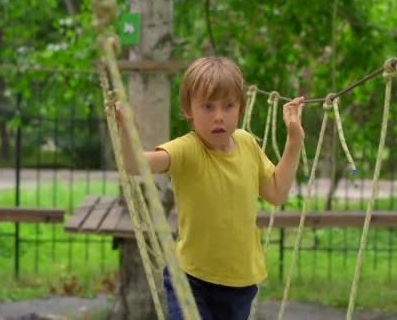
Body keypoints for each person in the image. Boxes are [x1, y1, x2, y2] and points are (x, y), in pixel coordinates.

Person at [114, 57, 304, 320]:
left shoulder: (247, 143)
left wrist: (294, 141)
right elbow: (135, 165)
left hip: (240, 283)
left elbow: (276, 192)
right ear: (187, 109)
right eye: (207, 106)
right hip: (190, 280)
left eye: (228, 106)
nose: (219, 116)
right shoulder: (188, 149)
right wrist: (126, 128)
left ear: (240, 108)